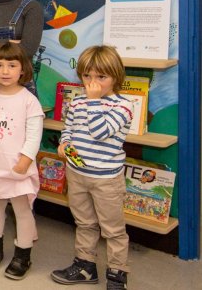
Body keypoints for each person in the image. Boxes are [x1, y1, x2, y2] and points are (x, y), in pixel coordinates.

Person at [51, 45, 132, 289]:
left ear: (116, 76)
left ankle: (117, 274)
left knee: (113, 230)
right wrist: (65, 144)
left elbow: (99, 132)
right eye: (87, 76)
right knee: (84, 223)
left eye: (101, 77)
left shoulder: (123, 106)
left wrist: (94, 101)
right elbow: (69, 128)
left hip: (107, 179)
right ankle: (86, 266)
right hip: (78, 174)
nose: (92, 82)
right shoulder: (77, 103)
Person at [0, 42, 44, 280]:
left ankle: (23, 254)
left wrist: (24, 162)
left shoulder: (28, 100)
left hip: (17, 166)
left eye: (12, 65)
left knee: (22, 209)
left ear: (22, 69)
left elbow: (34, 135)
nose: (5, 71)